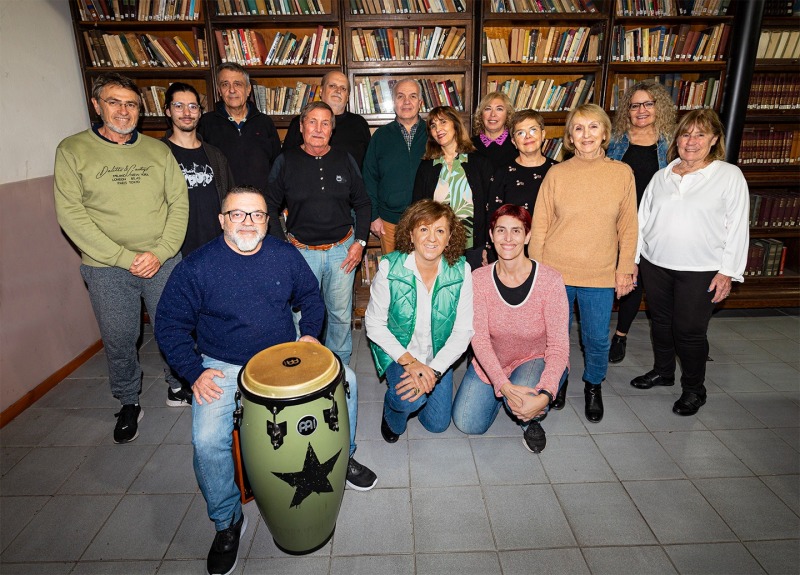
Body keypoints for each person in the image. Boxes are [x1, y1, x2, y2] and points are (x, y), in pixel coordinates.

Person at [155, 187, 377, 575]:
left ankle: (347, 456)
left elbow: (311, 296)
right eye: (237, 215)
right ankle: (227, 522)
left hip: (282, 355)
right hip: (222, 363)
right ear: (222, 220)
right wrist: (193, 373)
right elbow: (170, 325)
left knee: (351, 381)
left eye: (256, 215)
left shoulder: (282, 254)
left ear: (268, 220)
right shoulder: (197, 266)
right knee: (207, 439)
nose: (248, 222)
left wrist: (308, 334)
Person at [54, 73, 188, 443]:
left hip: (162, 260)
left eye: (131, 104)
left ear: (140, 110)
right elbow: (71, 215)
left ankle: (178, 386)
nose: (123, 110)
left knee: (173, 326)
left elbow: (179, 203)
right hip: (106, 267)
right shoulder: (72, 150)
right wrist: (124, 257)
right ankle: (129, 401)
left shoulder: (158, 151)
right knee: (119, 336)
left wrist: (160, 252)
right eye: (114, 102)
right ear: (97, 105)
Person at [631, 109, 749, 416]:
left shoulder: (728, 176)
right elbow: (641, 222)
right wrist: (634, 260)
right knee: (660, 323)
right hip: (656, 264)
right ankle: (663, 371)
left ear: (713, 139)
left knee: (689, 330)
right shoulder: (662, 176)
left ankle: (695, 389)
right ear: (676, 140)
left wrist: (728, 272)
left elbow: (738, 226)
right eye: (685, 134)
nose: (691, 141)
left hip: (702, 269)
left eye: (700, 134)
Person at [530, 104, 637, 423]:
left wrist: (625, 268)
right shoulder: (556, 173)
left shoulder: (621, 173)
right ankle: (556, 384)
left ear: (605, 134)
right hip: (555, 272)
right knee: (556, 336)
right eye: (578, 128)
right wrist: (536, 272)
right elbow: (540, 225)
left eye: (593, 127)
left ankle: (593, 385)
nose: (586, 134)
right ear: (570, 138)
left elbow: (629, 226)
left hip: (600, 274)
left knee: (596, 337)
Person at [452, 205, 569, 453]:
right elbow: (480, 341)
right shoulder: (479, 279)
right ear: (491, 236)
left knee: (528, 401)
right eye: (501, 230)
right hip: (494, 360)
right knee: (467, 422)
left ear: (527, 236)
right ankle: (506, 399)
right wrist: (503, 386)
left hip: (534, 359)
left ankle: (532, 421)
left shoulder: (550, 280)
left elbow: (559, 346)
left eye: (516, 231)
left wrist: (546, 394)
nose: (508, 238)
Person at [267, 101, 372, 367]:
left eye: (325, 123)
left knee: (339, 316)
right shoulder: (286, 161)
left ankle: (340, 371)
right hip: (301, 253)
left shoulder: (344, 159)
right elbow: (268, 205)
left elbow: (362, 203)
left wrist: (359, 242)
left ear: (331, 130)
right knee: (300, 318)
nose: (318, 128)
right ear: (301, 127)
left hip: (342, 252)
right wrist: (283, 248)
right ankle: (304, 369)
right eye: (312, 122)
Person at [366, 200, 474, 442]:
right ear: (411, 234)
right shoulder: (389, 268)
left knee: (437, 425)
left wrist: (433, 371)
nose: (431, 238)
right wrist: (411, 363)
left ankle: (416, 393)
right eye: (424, 229)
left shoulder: (461, 271)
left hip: (437, 356)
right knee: (409, 397)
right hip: (400, 352)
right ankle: (393, 411)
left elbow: (463, 331)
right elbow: (374, 325)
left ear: (449, 238)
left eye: (440, 230)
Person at [606, 80, 676, 364]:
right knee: (626, 278)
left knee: (647, 280)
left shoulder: (672, 144)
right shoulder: (615, 140)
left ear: (659, 107)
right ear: (628, 110)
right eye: (635, 105)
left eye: (648, 104)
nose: (642, 110)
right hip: (619, 222)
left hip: (658, 224)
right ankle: (613, 335)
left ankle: (627, 336)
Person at [412, 105, 494, 270]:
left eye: (443, 122)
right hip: (437, 246)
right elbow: (417, 209)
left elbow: (490, 207)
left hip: (473, 247)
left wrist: (487, 247)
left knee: (472, 293)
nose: (438, 129)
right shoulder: (427, 166)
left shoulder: (480, 162)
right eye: (433, 126)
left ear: (456, 124)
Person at [162, 82, 235, 259]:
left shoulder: (215, 155)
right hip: (174, 253)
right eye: (179, 106)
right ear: (168, 111)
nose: (187, 113)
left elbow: (230, 200)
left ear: (200, 112)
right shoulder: (158, 154)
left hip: (215, 250)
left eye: (193, 106)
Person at [363, 78, 427, 254]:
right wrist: (373, 216)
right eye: (400, 96)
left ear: (420, 103)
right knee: (393, 275)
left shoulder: (433, 134)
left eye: (412, 96)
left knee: (425, 275)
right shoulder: (380, 136)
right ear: (394, 103)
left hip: (427, 221)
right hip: (389, 222)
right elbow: (369, 178)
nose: (406, 102)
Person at [197, 63, 281, 192]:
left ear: (248, 89)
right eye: (225, 84)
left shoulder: (265, 123)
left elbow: (277, 167)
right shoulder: (206, 123)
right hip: (223, 204)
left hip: (260, 204)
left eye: (237, 84)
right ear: (219, 90)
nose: (231, 90)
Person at [282, 70, 371, 169]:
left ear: (348, 97)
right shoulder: (301, 121)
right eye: (332, 86)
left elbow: (369, 167)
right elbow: (285, 163)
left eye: (343, 88)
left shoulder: (359, 124)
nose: (338, 91)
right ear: (321, 91)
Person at [489, 110, 558, 218]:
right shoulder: (502, 173)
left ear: (543, 134)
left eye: (533, 130)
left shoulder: (558, 170)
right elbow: (494, 219)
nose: (527, 136)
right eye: (520, 133)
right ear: (514, 142)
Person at [471, 91, 517, 170]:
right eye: (488, 109)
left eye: (499, 109)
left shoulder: (517, 144)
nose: (493, 114)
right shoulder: (469, 146)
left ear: (508, 114)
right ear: (481, 114)